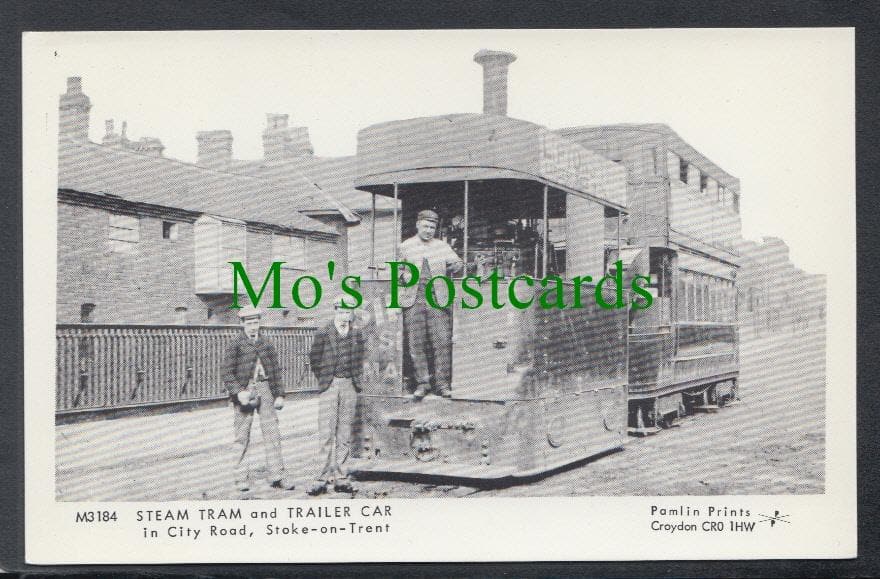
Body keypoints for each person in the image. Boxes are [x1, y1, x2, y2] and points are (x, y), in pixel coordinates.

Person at [223, 305, 295, 493]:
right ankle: (240, 478)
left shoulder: (267, 343)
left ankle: (277, 475)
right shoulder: (235, 344)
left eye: (256, 322)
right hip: (245, 391)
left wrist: (279, 394)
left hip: (266, 389)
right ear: (242, 323)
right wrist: (238, 392)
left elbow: (276, 371)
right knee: (242, 436)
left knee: (272, 434)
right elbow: (227, 372)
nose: (253, 326)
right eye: (249, 323)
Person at [398, 209, 464, 400]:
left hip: (438, 300)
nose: (428, 230)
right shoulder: (406, 246)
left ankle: (442, 385)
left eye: (432, 227)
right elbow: (396, 270)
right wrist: (404, 277)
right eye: (425, 226)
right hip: (413, 299)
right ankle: (422, 384)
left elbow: (458, 263)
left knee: (441, 342)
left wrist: (453, 267)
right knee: (415, 343)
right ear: (417, 225)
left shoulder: (442, 246)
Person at [307, 297, 366, 495]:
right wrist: (326, 379)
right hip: (330, 385)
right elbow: (314, 359)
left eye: (348, 312)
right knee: (326, 433)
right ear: (335, 311)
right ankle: (321, 478)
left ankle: (341, 477)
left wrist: (355, 381)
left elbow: (359, 359)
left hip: (349, 385)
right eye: (341, 311)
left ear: (351, 314)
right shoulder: (324, 332)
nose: (344, 316)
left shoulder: (357, 334)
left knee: (344, 434)